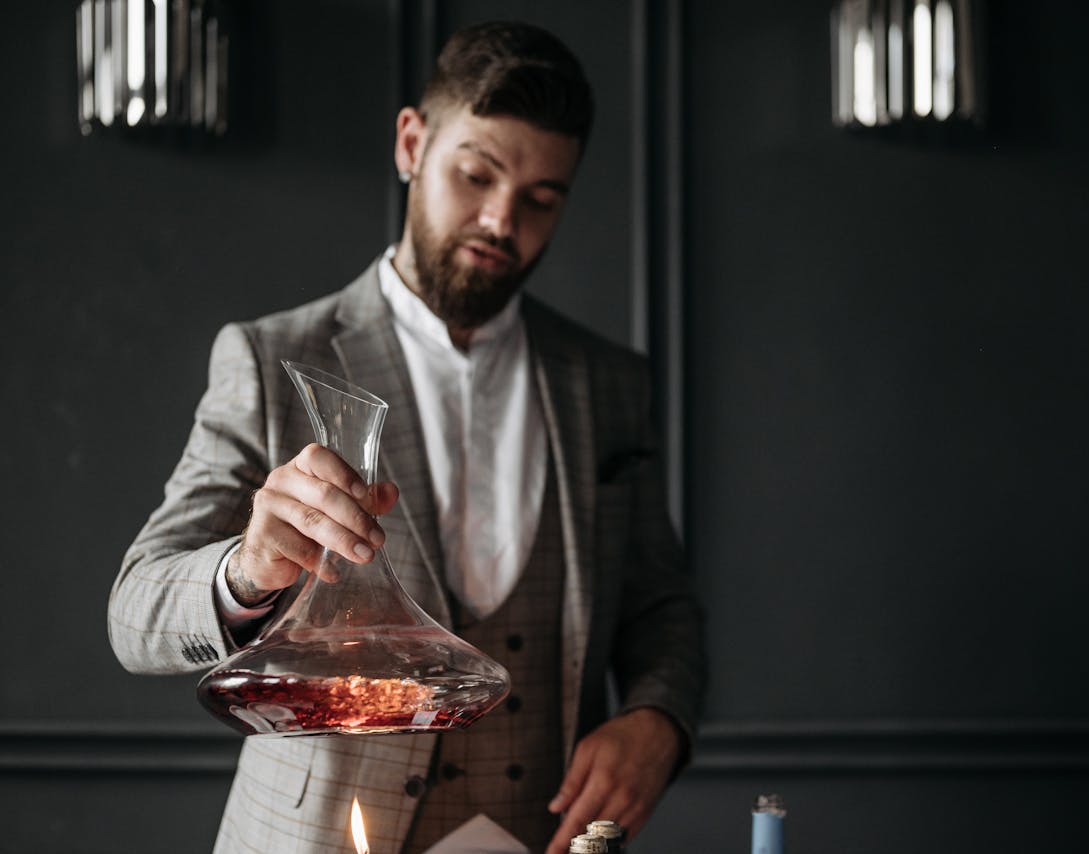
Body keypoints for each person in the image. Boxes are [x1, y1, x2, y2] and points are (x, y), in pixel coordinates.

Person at [108, 20, 705, 854]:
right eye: (477, 174)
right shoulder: (272, 357)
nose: (502, 220)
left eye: (541, 199)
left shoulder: (608, 382)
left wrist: (658, 720)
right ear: (412, 144)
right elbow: (134, 612)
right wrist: (247, 569)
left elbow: (661, 607)